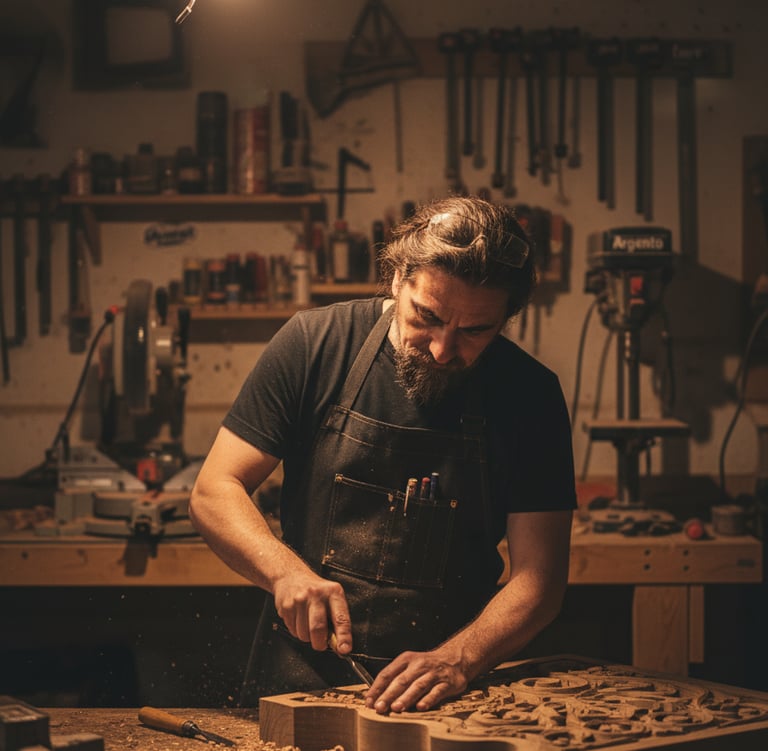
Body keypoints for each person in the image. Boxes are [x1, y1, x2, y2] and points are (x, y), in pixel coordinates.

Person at [189, 195, 576, 713]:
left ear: (508, 315)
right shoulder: (314, 344)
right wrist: (284, 572)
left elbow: (540, 580)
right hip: (301, 679)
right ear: (396, 278)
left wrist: (459, 659)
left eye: (475, 330)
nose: (442, 348)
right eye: (428, 316)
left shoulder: (529, 395)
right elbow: (214, 490)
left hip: (448, 690)